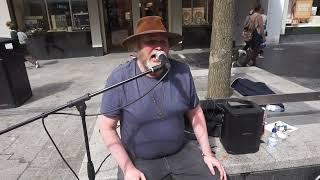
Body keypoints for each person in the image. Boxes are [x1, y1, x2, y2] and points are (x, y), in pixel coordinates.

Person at [100, 16, 227, 180]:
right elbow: (106, 127)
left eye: (163, 42)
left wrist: (207, 153)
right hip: (140, 159)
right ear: (138, 49)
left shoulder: (181, 71)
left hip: (181, 152)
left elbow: (195, 112)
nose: (159, 46)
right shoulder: (120, 78)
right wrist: (128, 168)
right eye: (151, 41)